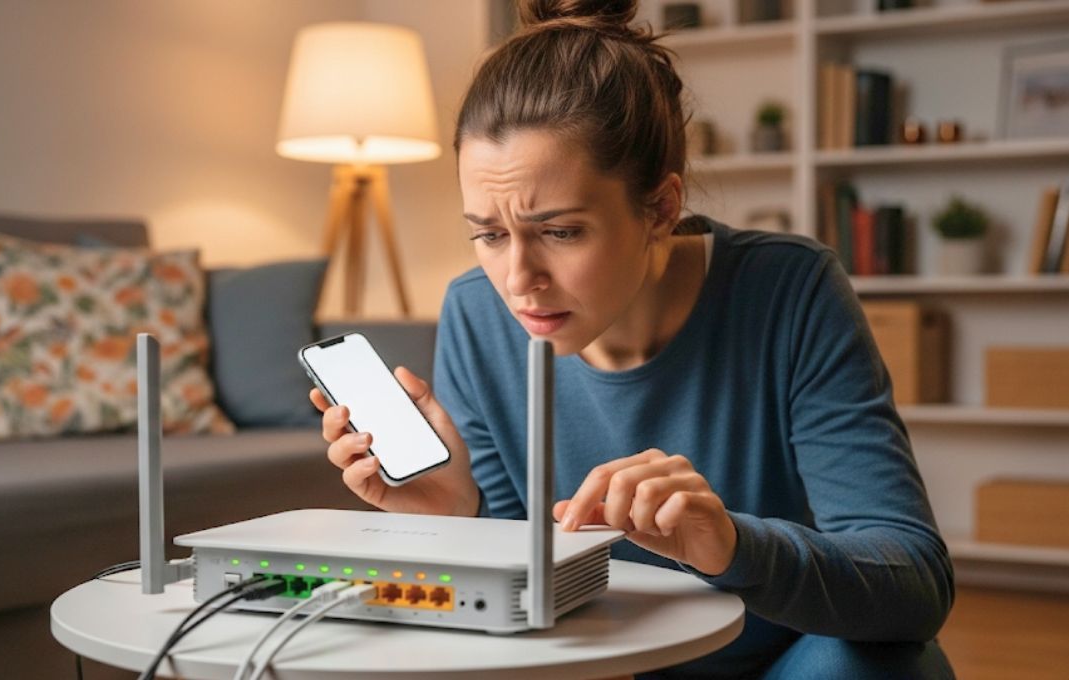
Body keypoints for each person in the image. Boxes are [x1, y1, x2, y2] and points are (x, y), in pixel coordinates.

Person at [310, 0, 955, 676]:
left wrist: (730, 543)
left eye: (560, 231)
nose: (518, 279)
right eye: (489, 234)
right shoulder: (476, 314)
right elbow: (514, 604)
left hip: (777, 665)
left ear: (661, 208)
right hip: (589, 666)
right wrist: (457, 512)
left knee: (887, 665)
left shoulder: (790, 290)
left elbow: (913, 581)